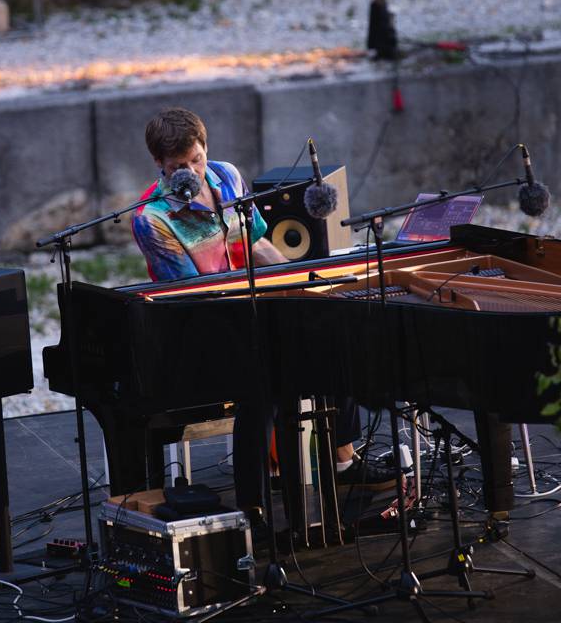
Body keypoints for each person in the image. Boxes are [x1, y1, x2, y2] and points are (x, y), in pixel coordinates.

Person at [131, 108, 393, 514]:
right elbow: (194, 295)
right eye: (178, 167)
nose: (192, 172)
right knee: (263, 379)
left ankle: (343, 460)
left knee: (331, 325)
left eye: (196, 160)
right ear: (159, 165)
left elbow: (257, 242)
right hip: (201, 330)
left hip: (252, 309)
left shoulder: (226, 176)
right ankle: (253, 506)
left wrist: (306, 282)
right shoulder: (152, 219)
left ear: (206, 148)